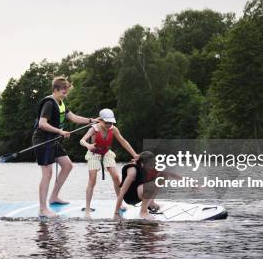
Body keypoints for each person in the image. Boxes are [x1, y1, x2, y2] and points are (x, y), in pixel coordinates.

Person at [33, 77, 98, 218]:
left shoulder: (60, 102)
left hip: (53, 140)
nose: (65, 94)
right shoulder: (49, 103)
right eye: (63, 92)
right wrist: (60, 131)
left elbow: (73, 117)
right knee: (47, 173)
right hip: (43, 141)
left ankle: (54, 197)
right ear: (55, 90)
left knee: (67, 165)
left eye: (66, 92)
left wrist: (91, 120)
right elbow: (42, 124)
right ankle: (43, 209)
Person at [80, 108, 139, 214]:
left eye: (110, 122)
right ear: (101, 120)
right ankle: (88, 207)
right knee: (92, 180)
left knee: (116, 178)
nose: (108, 125)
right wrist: (88, 145)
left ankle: (120, 203)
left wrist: (134, 154)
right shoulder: (94, 128)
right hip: (94, 154)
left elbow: (123, 141)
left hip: (107, 153)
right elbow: (82, 140)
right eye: (106, 122)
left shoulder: (114, 129)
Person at [114, 151, 178, 220]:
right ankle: (143, 212)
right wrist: (116, 212)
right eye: (150, 165)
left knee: (163, 175)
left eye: (153, 164)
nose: (152, 167)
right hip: (130, 197)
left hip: (139, 192)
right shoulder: (132, 172)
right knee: (151, 185)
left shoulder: (146, 167)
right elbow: (122, 193)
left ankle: (150, 203)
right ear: (142, 164)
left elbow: (169, 174)